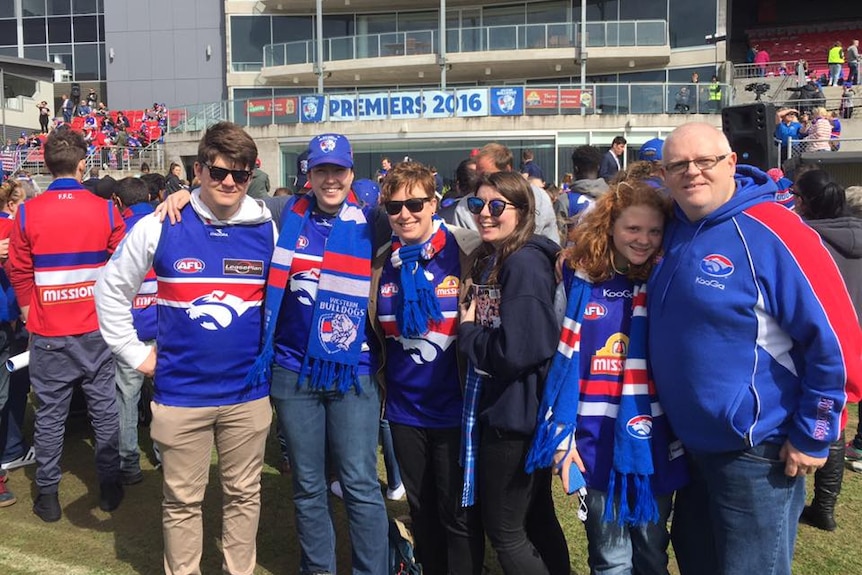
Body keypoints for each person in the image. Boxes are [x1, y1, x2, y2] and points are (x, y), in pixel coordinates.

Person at [649, 122, 862, 575]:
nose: (692, 173)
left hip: (757, 451)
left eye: (704, 161)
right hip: (691, 447)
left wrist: (815, 433)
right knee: (697, 562)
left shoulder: (775, 231)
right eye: (678, 165)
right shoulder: (674, 227)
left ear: (730, 163)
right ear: (665, 175)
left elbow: (838, 344)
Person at [95, 121, 276, 574]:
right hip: (181, 396)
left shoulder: (267, 224)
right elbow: (109, 291)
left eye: (240, 172)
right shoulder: (164, 222)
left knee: (243, 495)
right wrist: (137, 356)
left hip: (247, 397)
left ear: (252, 174)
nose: (229, 182)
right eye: (218, 172)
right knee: (181, 501)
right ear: (198, 171)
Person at [527, 178, 687, 575]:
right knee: (610, 559)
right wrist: (563, 437)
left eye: (653, 231)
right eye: (633, 229)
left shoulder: (668, 280)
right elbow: (560, 364)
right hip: (592, 440)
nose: (643, 239)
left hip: (655, 441)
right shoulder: (578, 279)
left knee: (651, 555)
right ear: (610, 227)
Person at [257, 133, 389, 575]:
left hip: (354, 373)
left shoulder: (375, 219)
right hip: (293, 372)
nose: (330, 179)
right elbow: (229, 204)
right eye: (321, 170)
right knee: (309, 486)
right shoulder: (283, 214)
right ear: (308, 175)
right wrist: (178, 201)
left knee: (359, 483)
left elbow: (432, 227)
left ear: (352, 173)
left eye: (338, 170)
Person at [370, 162, 485, 575]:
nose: (405, 214)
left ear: (434, 202)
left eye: (415, 203)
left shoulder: (470, 249)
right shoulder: (383, 262)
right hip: (404, 411)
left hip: (456, 409)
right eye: (394, 206)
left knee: (457, 513)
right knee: (422, 510)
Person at [7, 128, 126, 523]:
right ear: (81, 165)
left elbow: (19, 270)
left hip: (49, 332)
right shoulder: (106, 209)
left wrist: (29, 312)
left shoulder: (26, 212)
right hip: (95, 330)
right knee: (104, 410)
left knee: (50, 416)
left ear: (45, 164)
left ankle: (48, 495)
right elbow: (124, 265)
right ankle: (109, 487)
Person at [458, 171, 569, 575]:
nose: (484, 214)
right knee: (536, 519)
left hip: (515, 415)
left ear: (522, 213)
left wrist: (468, 333)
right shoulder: (503, 256)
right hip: (520, 410)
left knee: (505, 531)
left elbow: (520, 348)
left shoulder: (522, 263)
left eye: (496, 206)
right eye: (477, 205)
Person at [790, 169, 862, 532]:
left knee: (828, 420)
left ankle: (822, 507)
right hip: (855, 337)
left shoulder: (808, 240)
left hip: (831, 339)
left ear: (806, 202)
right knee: (839, 418)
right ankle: (825, 506)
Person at [105, 177, 158, 487]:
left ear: (118, 202)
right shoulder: (166, 225)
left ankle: (129, 463)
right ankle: (164, 455)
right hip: (161, 325)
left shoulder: (115, 233)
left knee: (126, 399)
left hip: (129, 329)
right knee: (162, 398)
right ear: (149, 196)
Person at [453, 143, 559, 245]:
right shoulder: (465, 206)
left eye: (497, 206)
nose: (485, 213)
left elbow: (551, 241)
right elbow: (464, 249)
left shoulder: (539, 197)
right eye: (477, 175)